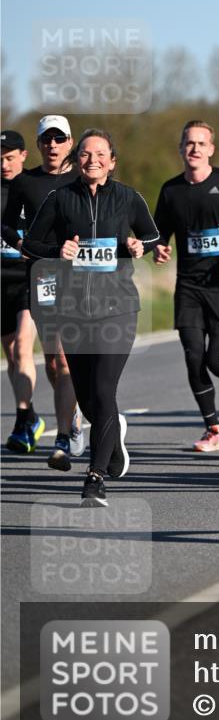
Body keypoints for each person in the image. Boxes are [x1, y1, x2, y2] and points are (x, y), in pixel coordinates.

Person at [22, 128, 161, 506]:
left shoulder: (128, 198)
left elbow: (152, 237)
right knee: (87, 400)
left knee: (102, 390)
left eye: (100, 154)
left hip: (117, 309)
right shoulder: (60, 198)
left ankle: (95, 478)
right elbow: (31, 244)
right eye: (84, 154)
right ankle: (111, 441)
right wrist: (57, 248)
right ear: (76, 160)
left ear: (112, 161)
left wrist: (137, 246)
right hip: (72, 311)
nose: (92, 159)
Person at [153, 120, 219, 452]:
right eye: (189, 143)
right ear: (181, 148)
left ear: (211, 149)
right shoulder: (171, 190)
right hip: (189, 286)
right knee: (193, 357)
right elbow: (159, 231)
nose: (194, 149)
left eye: (201, 143)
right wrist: (158, 247)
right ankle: (213, 429)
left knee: (216, 361)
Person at [2, 116, 83, 466]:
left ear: (69, 142)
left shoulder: (82, 179)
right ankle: (69, 415)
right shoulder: (26, 182)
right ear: (38, 145)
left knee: (62, 357)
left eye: (59, 139)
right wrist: (20, 242)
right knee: (52, 360)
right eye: (46, 140)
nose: (52, 145)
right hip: (41, 277)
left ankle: (64, 436)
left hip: (77, 279)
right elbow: (7, 224)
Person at [1, 130, 45, 448]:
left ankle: (21, 423)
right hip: (1, 280)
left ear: (23, 156)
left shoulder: (33, 186)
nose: (4, 164)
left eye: (9, 157)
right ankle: (31, 416)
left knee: (21, 348)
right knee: (12, 358)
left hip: (29, 277)